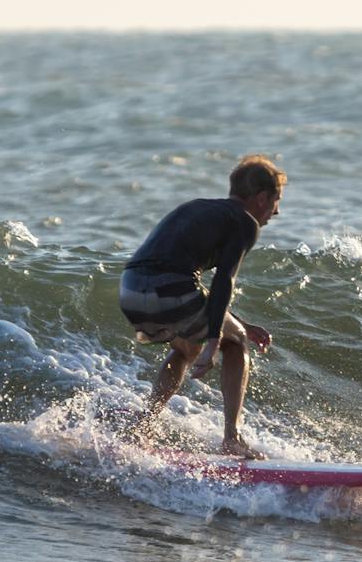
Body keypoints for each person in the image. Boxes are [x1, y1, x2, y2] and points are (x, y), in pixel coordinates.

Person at [118, 154, 282, 458]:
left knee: (183, 350)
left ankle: (143, 425)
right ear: (261, 198)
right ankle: (232, 438)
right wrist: (215, 340)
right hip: (170, 290)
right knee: (237, 345)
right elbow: (223, 282)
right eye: (276, 200)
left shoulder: (197, 208)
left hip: (130, 289)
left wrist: (239, 322)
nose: (277, 210)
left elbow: (194, 287)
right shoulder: (246, 222)